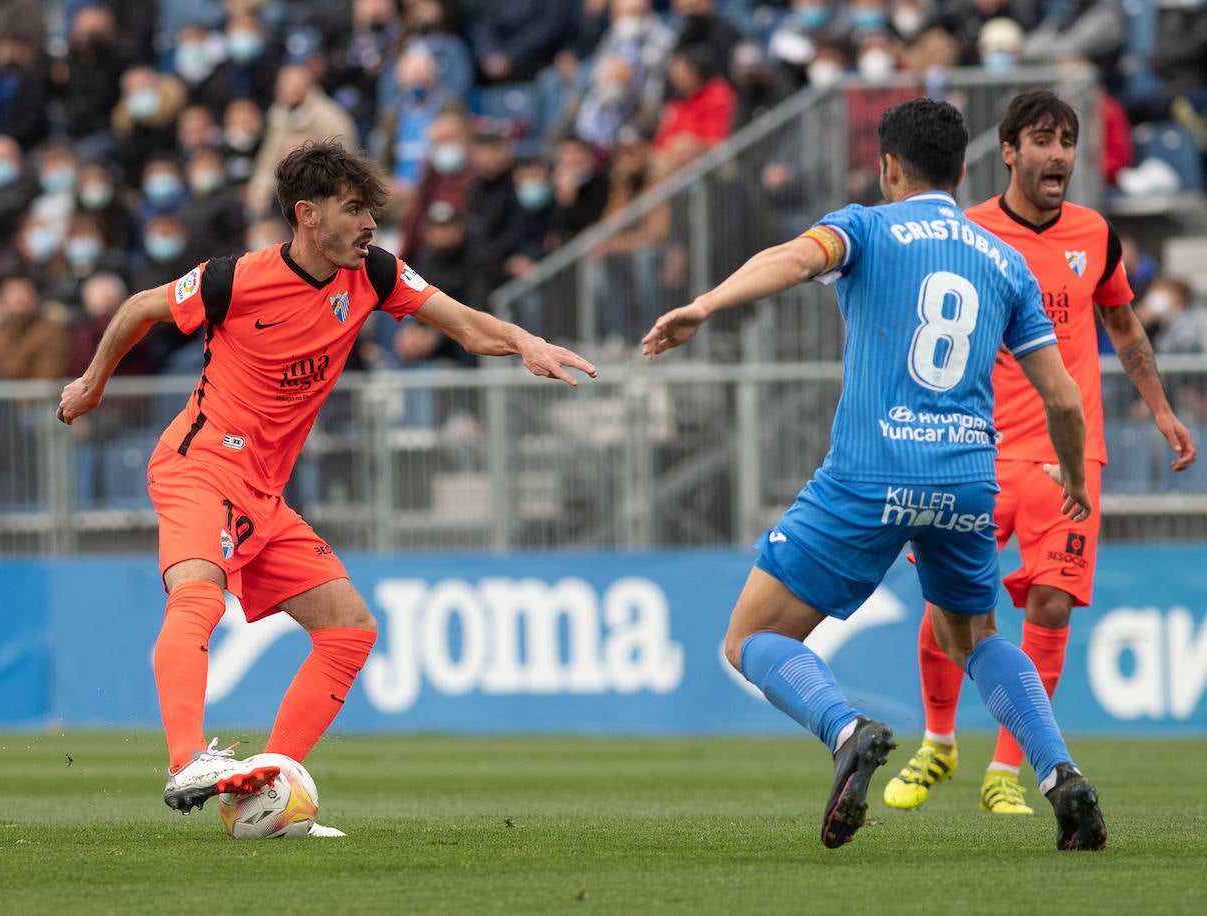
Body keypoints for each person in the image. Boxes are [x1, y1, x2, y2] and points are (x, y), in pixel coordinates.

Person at [55, 138, 595, 828]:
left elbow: (464, 325)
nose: (370, 223)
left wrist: (526, 343)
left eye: (371, 209)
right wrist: (92, 384)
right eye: (353, 209)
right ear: (307, 216)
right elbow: (136, 308)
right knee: (199, 590)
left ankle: (267, 791)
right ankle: (186, 758)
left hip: (263, 493)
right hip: (201, 462)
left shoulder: (373, 274)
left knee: (348, 628)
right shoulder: (234, 279)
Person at [642, 97, 1107, 851]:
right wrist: (1079, 484)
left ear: (890, 167)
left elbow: (793, 259)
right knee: (976, 637)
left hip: (871, 474)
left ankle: (846, 729)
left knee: (750, 636)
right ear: (964, 171)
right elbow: (1061, 393)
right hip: (966, 479)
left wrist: (705, 303)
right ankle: (1059, 773)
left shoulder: (866, 226)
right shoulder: (1003, 257)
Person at [883, 90, 1197, 817]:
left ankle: (1007, 768)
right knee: (949, 606)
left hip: (1067, 455)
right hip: (976, 449)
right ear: (1010, 153)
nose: (1058, 154)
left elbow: (1123, 326)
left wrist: (1159, 409)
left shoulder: (1096, 233)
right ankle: (937, 742)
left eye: (1067, 141)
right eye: (1043, 140)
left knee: (1051, 603)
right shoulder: (969, 233)